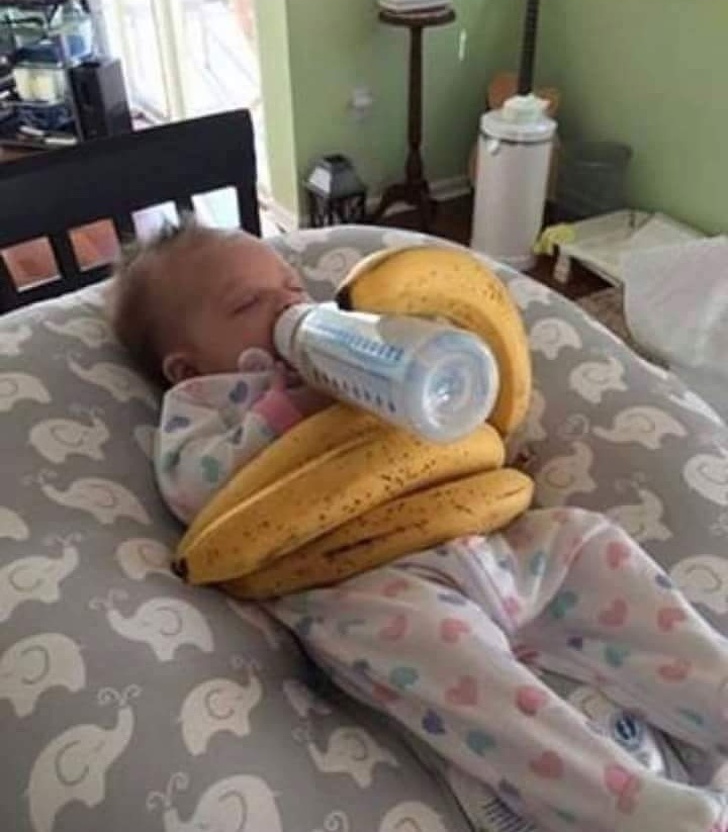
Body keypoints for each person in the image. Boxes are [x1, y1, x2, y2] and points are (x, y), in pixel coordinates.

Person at [112, 219, 728, 832]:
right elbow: (193, 486)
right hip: (360, 580)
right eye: (247, 303)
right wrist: (283, 409)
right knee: (451, 667)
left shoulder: (355, 353)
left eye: (293, 286)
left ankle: (712, 692)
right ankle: (624, 804)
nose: (287, 305)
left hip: (476, 535)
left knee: (587, 543)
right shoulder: (206, 402)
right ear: (185, 368)